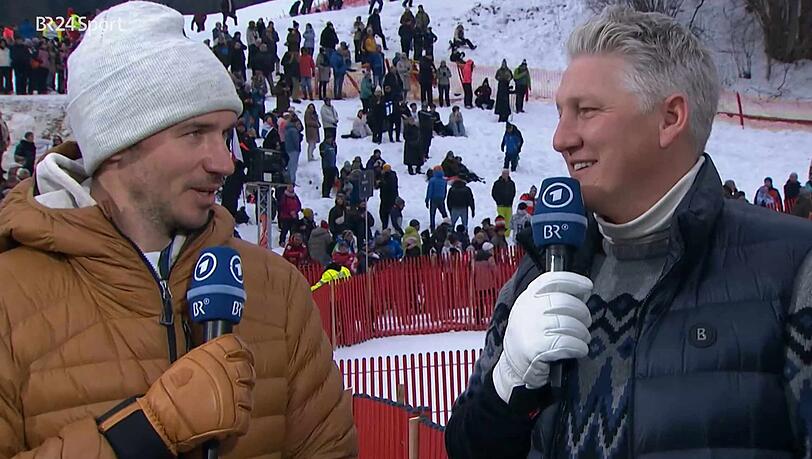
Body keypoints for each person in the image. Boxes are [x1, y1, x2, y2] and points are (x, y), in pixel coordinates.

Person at [446, 6, 812, 459]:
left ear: (669, 118)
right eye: (561, 113)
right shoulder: (537, 272)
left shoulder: (794, 271)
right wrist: (506, 389)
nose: (561, 139)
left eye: (586, 111)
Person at [0, 3, 357, 457]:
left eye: (224, 135)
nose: (224, 162)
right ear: (117, 144)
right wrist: (147, 432)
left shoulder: (277, 289)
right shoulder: (9, 298)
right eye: (194, 134)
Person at [425, 167, 448, 231]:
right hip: (441, 198)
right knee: (443, 212)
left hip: (433, 199)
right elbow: (445, 190)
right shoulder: (444, 180)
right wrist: (444, 197)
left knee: (432, 214)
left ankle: (432, 228)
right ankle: (448, 224)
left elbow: (429, 191)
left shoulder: (432, 180)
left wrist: (427, 200)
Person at [284, 113, 302, 184]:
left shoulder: (287, 129)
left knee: (290, 165)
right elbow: (296, 141)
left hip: (288, 149)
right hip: (294, 150)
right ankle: (292, 181)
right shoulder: (293, 130)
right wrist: (298, 149)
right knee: (293, 166)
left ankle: (288, 179)